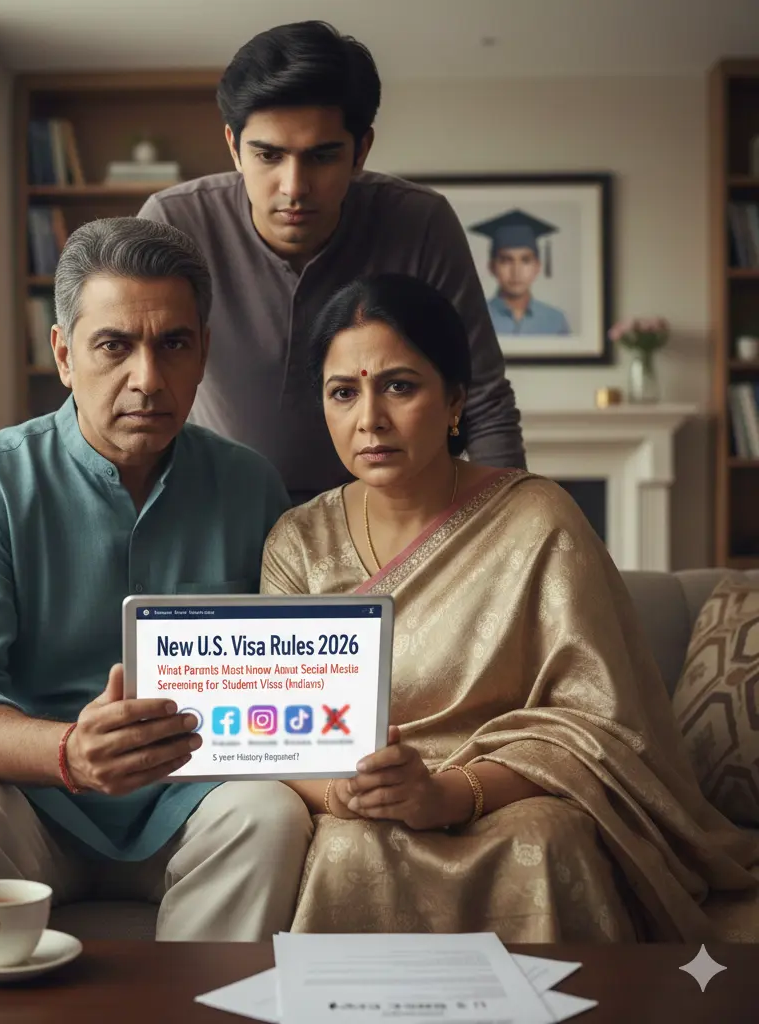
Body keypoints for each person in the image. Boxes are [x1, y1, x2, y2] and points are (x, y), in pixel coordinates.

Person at [261, 272, 759, 940]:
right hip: (367, 805)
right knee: (350, 847)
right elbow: (277, 737)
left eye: (400, 386)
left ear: (456, 401)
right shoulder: (299, 541)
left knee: (550, 838)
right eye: (343, 392)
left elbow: (596, 723)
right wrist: (344, 793)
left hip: (513, 793)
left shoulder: (537, 517)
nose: (369, 418)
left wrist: (448, 793)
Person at [0, 217, 313, 940]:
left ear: (204, 355)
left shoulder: (251, 486)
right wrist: (69, 753)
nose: (148, 378)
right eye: (114, 346)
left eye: (174, 344)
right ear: (65, 355)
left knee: (271, 811)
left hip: (189, 804)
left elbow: (295, 673)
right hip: (28, 801)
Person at [138, 21, 525, 504]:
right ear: (234, 148)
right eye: (269, 155)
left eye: (321, 157)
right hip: (217, 505)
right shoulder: (174, 221)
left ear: (361, 150)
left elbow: (483, 399)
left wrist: (505, 538)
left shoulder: (421, 221)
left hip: (384, 511)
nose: (294, 186)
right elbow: (136, 380)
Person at [469, 209, 572, 336]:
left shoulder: (556, 321)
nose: (516, 271)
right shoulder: (473, 319)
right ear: (492, 267)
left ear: (537, 267)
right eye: (506, 260)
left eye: (525, 260)